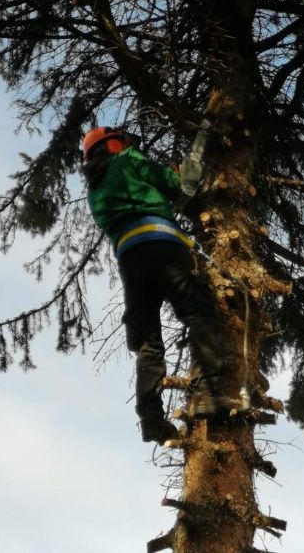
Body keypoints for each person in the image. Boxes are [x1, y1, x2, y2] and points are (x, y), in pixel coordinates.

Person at [82, 126, 232, 444]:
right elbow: (172, 186)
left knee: (148, 342)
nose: (126, 145)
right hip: (163, 246)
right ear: (112, 145)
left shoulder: (94, 191)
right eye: (121, 142)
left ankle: (151, 418)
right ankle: (206, 390)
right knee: (200, 313)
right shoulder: (127, 158)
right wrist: (183, 178)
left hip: (130, 259)